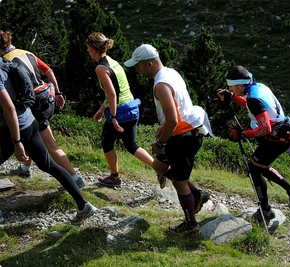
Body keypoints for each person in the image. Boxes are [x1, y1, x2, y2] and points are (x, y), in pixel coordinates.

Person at [124, 44, 213, 237]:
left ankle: (191, 225)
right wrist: (165, 126)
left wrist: (161, 144)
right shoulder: (171, 73)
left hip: (184, 137)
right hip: (186, 130)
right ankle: (197, 195)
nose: (137, 70)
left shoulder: (161, 85)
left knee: (180, 182)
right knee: (159, 167)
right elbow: (180, 105)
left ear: (149, 64)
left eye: (138, 66)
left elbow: (173, 119)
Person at [0, 53, 96, 225]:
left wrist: (16, 142)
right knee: (48, 164)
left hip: (14, 129)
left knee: (47, 162)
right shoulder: (5, 63)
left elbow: (9, 108)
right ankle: (84, 205)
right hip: (30, 122)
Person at [217, 65, 290, 224]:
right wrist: (233, 97)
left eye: (231, 86)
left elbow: (265, 128)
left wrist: (243, 134)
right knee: (258, 165)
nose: (229, 88)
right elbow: (252, 107)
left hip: (278, 136)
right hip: (285, 130)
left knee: (253, 169)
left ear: (240, 85)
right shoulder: (257, 87)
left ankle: (266, 210)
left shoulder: (253, 98)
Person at [0, 30, 85, 191]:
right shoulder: (26, 52)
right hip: (48, 98)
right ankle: (25, 169)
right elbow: (49, 71)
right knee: (32, 136)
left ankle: (75, 178)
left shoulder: (4, 61)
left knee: (50, 145)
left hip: (35, 105)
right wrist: (59, 93)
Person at [86, 32, 154, 188]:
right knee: (131, 145)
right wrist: (102, 109)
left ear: (94, 48)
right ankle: (159, 169)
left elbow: (112, 93)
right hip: (131, 107)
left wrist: (114, 117)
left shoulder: (100, 68)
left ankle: (115, 177)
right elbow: (116, 90)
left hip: (120, 111)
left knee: (106, 142)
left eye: (88, 48)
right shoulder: (112, 62)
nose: (87, 51)